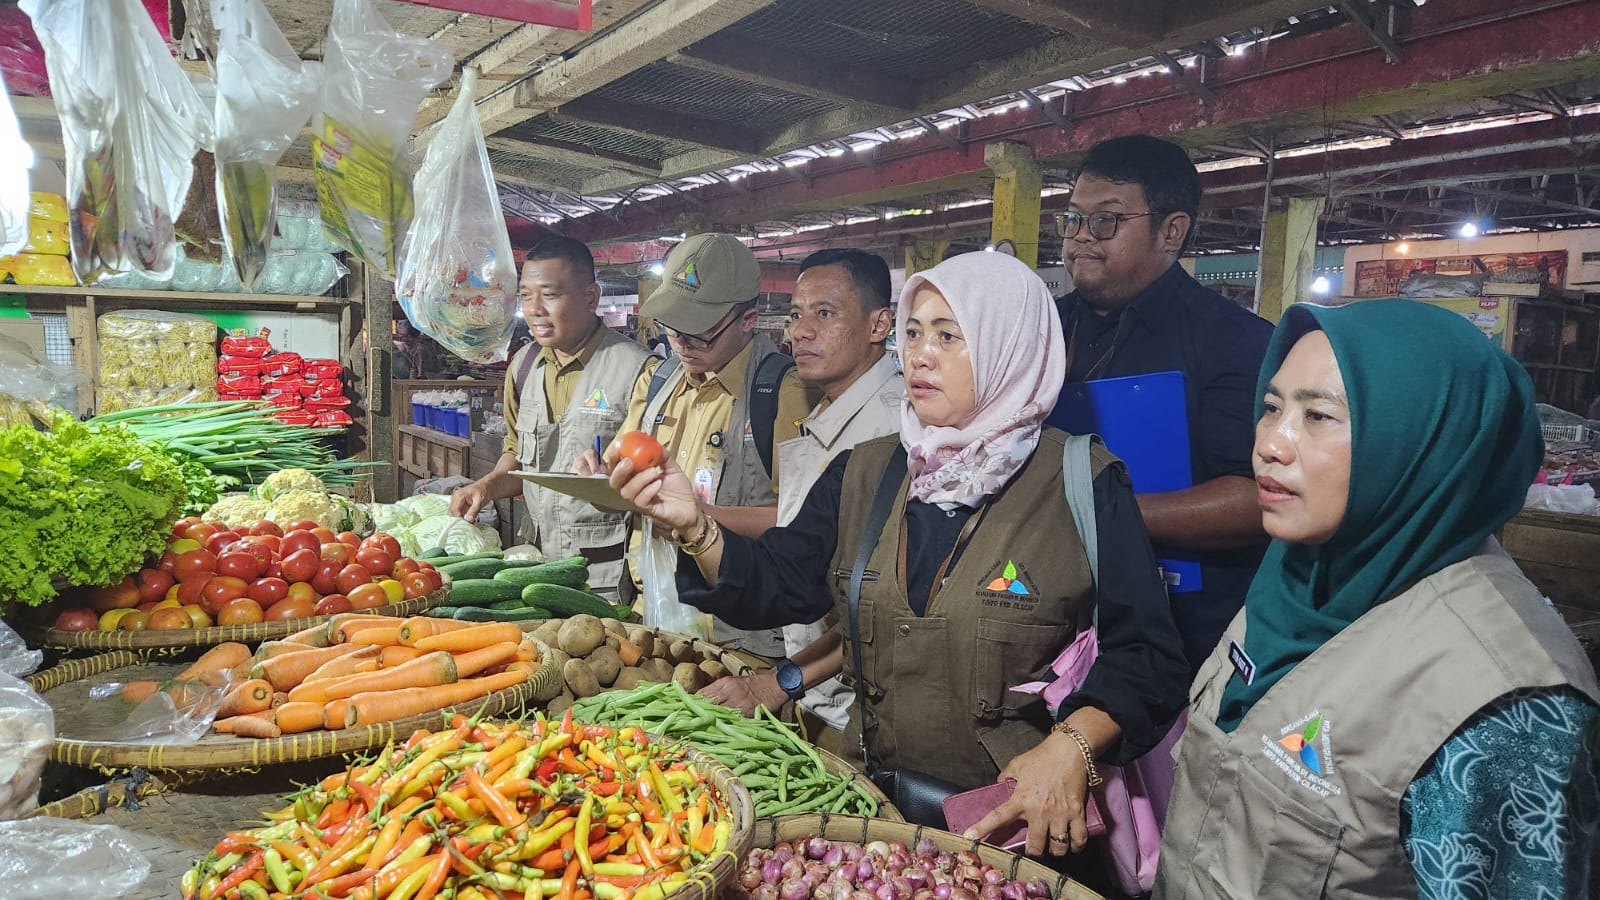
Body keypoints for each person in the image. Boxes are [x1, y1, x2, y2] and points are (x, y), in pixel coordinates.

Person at [602, 251, 1188, 857]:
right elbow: (779, 584)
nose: (920, 355)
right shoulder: (868, 469)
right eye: (913, 333)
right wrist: (694, 526)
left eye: (948, 335)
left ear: (1009, 344)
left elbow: (1148, 655)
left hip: (1012, 825)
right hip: (877, 813)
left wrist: (1072, 747)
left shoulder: (1080, 482)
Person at [1155, 300, 1600, 899]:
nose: (1270, 445)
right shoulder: (1298, 580)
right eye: (1271, 407)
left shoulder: (1506, 708)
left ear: (1424, 437)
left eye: (1318, 416)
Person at [1056, 134, 1274, 673]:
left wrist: (1098, 515)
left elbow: (1257, 498)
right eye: (1073, 219)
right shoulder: (1042, 329)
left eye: (1106, 221)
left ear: (1170, 231)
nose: (1080, 239)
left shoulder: (1233, 341)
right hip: (1054, 612)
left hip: (1184, 634)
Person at [698, 248, 901, 749]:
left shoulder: (890, 432)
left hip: (863, 707)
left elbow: (878, 606)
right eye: (795, 315)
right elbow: (799, 534)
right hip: (818, 690)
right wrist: (696, 514)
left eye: (825, 314)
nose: (801, 331)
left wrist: (778, 681)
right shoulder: (832, 412)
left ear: (880, 325)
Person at [579, 232, 815, 658]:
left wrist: (699, 519)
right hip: (651, 618)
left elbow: (803, 523)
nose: (683, 342)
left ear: (748, 319)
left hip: (739, 639)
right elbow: (623, 482)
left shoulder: (782, 393)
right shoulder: (658, 383)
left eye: (701, 331)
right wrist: (601, 480)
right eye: (673, 327)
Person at [447, 236, 655, 593]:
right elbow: (519, 462)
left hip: (607, 573)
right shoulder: (523, 367)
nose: (534, 309)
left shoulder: (639, 371)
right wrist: (486, 486)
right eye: (526, 295)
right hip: (537, 565)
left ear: (591, 297)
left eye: (550, 294)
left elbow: (654, 482)